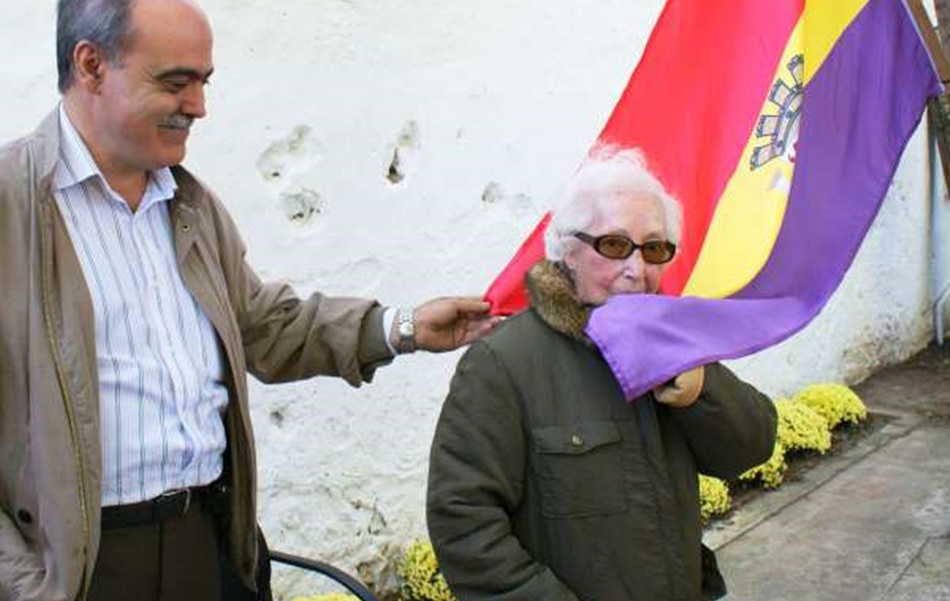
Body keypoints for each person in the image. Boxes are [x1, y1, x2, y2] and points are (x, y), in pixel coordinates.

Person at [0, 1, 499, 600]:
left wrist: (402, 327)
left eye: (203, 83)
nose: (198, 107)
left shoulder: (190, 207)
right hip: (83, 572)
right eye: (176, 82)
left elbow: (265, 327)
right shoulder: (13, 208)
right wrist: (27, 587)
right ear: (91, 65)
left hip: (207, 545)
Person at [426, 146, 778, 601]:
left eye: (654, 248)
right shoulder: (503, 363)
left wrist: (703, 390)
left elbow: (750, 449)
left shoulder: (672, 343)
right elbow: (463, 523)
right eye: (614, 245)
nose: (637, 269)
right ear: (567, 252)